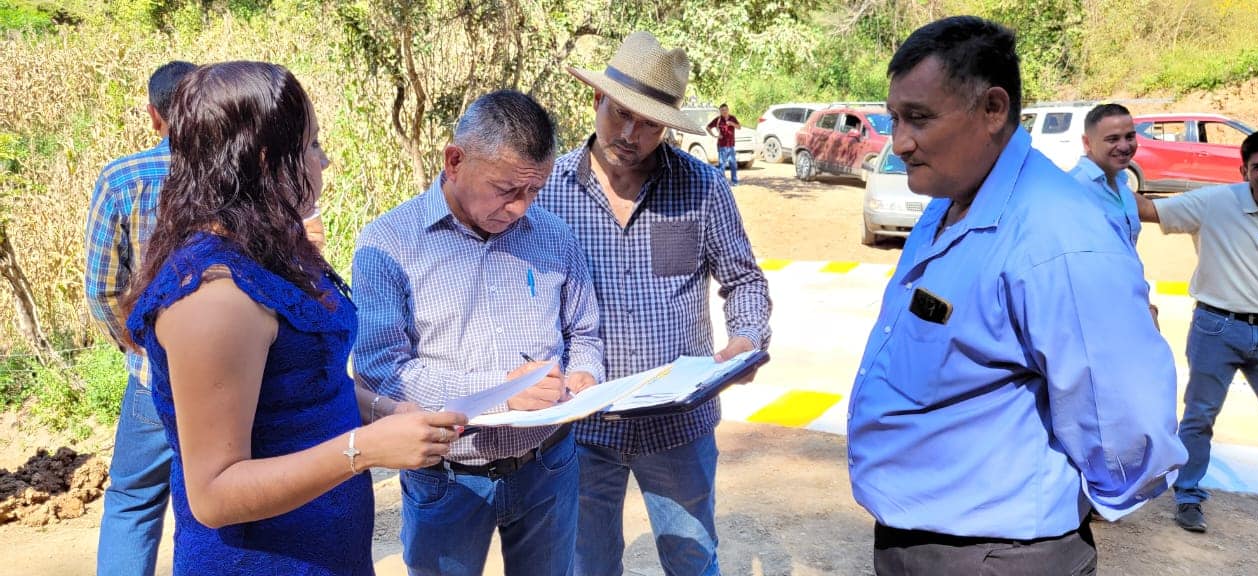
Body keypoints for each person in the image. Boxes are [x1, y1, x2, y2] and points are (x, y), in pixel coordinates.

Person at [846, 16, 1185, 574]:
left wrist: (1070, 508)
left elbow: (1125, 418)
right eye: (894, 118)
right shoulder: (952, 197)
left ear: (993, 109)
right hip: (928, 538)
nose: (899, 142)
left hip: (997, 554)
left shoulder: (1058, 235)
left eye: (919, 119)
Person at [122, 61, 465, 575]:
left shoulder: (268, 251)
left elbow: (304, 386)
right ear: (264, 161)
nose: (323, 161)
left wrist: (383, 412)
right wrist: (363, 449)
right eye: (310, 145)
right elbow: (214, 493)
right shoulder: (214, 297)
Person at [538, 31, 772, 576]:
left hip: (678, 426)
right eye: (620, 113)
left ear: (667, 126)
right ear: (596, 101)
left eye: (648, 123)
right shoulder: (548, 193)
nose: (629, 134)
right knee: (586, 563)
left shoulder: (702, 188)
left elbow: (744, 281)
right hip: (581, 425)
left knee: (692, 556)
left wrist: (746, 340)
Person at [352, 89, 605, 576]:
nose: (519, 208)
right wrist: (504, 392)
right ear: (454, 160)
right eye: (507, 189)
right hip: (446, 477)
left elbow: (585, 334)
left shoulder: (555, 236)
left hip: (548, 466)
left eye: (535, 191)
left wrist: (584, 378)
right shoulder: (388, 244)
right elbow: (382, 372)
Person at [1131, 128, 1258, 534]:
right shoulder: (1216, 202)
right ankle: (1189, 497)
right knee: (1200, 416)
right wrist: (1097, 177)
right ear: (1244, 171)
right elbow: (1148, 210)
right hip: (1217, 328)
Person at [85, 59, 194, 576]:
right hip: (240, 379)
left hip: (154, 374)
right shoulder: (241, 175)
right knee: (223, 496)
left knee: (133, 500)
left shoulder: (121, 178)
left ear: (155, 116)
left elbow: (102, 287)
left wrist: (137, 344)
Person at [1068, 103, 1160, 326]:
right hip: (1099, 316)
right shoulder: (1074, 190)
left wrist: (1144, 305)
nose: (1125, 146)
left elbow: (1128, 253)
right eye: (1112, 139)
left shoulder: (1121, 183)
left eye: (1130, 136)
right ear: (1087, 143)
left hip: (1133, 305)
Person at [706, 103, 741, 185]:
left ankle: (734, 181)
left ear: (728, 110)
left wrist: (732, 124)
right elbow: (708, 127)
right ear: (720, 111)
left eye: (725, 110)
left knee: (733, 164)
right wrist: (715, 135)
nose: (724, 112)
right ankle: (722, 183)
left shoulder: (732, 118)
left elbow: (739, 127)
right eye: (722, 110)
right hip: (722, 146)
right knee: (722, 165)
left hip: (731, 145)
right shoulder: (718, 120)